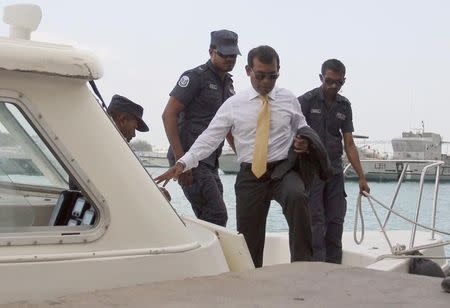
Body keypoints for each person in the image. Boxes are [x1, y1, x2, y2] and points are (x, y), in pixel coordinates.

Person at [156, 45, 314, 268]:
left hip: (282, 170)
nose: (266, 82)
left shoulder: (289, 99)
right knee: (248, 240)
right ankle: (252, 280)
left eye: (272, 76)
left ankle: (302, 267)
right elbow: (209, 138)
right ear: (248, 70)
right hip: (251, 174)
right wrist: (183, 163)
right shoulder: (233, 105)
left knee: (298, 197)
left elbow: (303, 127)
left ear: (279, 71)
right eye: (260, 75)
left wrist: (303, 139)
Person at [161, 30, 241, 227]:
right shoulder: (195, 77)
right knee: (216, 215)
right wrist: (182, 162)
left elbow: (229, 128)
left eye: (233, 55)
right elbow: (168, 115)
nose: (229, 59)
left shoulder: (229, 86)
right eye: (224, 54)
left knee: (212, 217)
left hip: (210, 160)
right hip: (188, 156)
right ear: (211, 51)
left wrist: (243, 157)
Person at [298, 59, 370, 264]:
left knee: (336, 219)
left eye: (338, 82)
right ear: (321, 78)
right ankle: (317, 269)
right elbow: (289, 132)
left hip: (335, 172)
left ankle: (334, 267)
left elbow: (349, 143)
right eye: (329, 81)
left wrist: (362, 177)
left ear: (343, 81)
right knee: (315, 221)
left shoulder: (344, 105)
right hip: (311, 172)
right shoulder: (306, 101)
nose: (333, 86)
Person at [70, 94, 171, 201]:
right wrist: (155, 195)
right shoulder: (108, 147)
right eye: (134, 127)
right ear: (122, 120)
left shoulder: (96, 139)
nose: (134, 135)